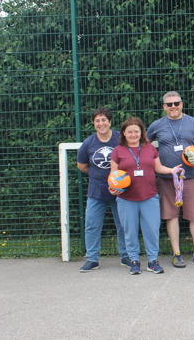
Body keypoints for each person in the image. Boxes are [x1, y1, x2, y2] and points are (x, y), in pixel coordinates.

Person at [147, 91, 194, 268]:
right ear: (164, 107)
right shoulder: (156, 125)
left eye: (176, 103)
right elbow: (145, 146)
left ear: (182, 104)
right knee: (171, 216)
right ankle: (176, 254)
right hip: (166, 178)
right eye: (169, 104)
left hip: (190, 177)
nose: (173, 106)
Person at [110, 117, 181, 275]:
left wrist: (171, 170)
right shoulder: (118, 151)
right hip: (126, 198)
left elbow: (159, 167)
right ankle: (134, 261)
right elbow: (113, 175)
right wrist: (112, 188)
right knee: (130, 231)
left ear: (142, 132)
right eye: (130, 132)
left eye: (136, 131)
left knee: (152, 230)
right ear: (124, 133)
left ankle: (152, 261)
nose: (133, 134)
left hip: (149, 197)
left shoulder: (149, 148)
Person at [76, 107, 128, 272]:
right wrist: (97, 175)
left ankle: (126, 256)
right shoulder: (89, 143)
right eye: (97, 121)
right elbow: (82, 165)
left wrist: (118, 180)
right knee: (92, 225)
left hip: (120, 190)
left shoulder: (121, 139)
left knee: (123, 224)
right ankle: (92, 259)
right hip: (96, 191)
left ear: (110, 122)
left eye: (104, 120)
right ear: (94, 123)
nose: (101, 123)